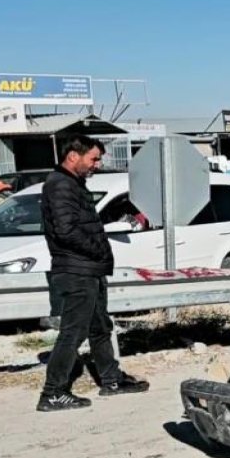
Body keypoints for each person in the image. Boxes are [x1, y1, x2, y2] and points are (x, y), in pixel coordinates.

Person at [38, 135, 147, 412]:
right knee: (73, 334)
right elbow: (66, 231)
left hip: (88, 269)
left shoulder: (72, 184)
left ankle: (111, 380)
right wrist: (97, 250)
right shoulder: (60, 185)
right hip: (77, 271)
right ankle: (53, 392)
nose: (97, 164)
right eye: (93, 158)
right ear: (73, 156)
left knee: (100, 328)